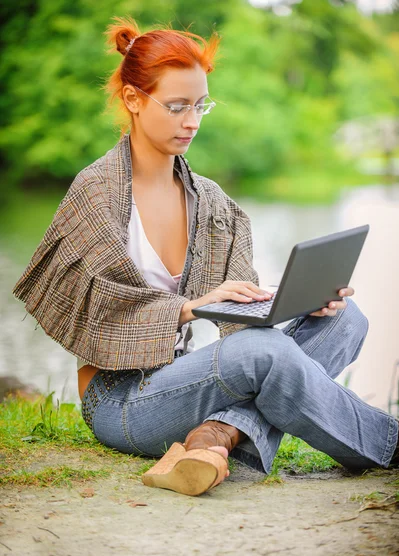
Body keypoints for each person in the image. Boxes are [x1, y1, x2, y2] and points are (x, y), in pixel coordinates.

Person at [13, 17, 398, 497]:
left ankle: (215, 437)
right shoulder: (96, 194)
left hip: (182, 379)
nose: (191, 121)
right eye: (176, 107)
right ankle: (389, 443)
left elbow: (239, 326)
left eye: (200, 106)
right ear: (134, 100)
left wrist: (290, 302)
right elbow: (97, 320)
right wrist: (188, 307)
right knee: (265, 354)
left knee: (346, 321)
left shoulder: (212, 203)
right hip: (118, 400)